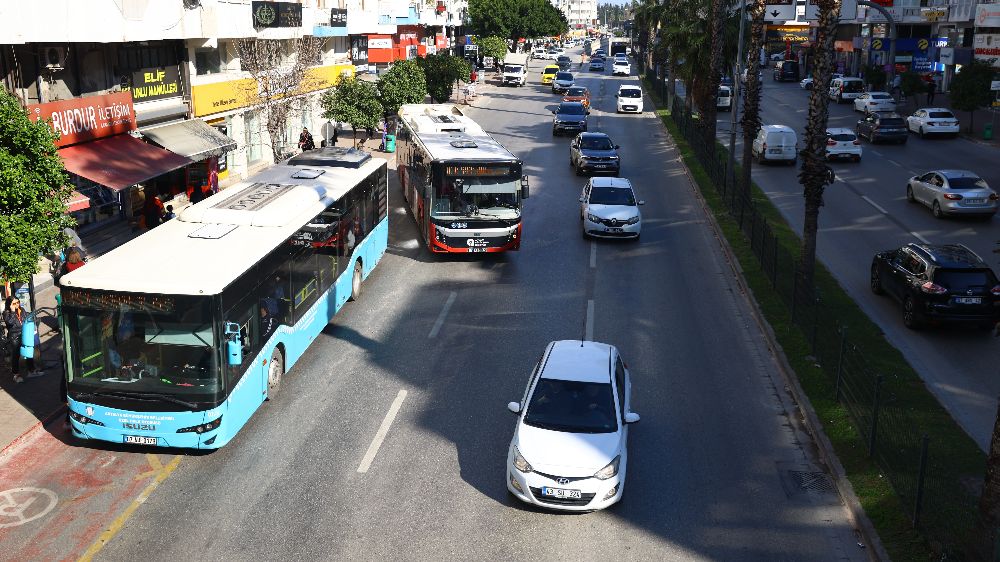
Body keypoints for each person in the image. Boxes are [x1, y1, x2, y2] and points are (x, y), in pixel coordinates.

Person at [3, 297, 43, 383]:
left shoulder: (22, 310)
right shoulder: (6, 313)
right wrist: (13, 311)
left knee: (28, 351)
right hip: (15, 336)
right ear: (9, 305)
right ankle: (16, 374)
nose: (17, 305)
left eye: (18, 302)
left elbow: (27, 319)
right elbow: (10, 322)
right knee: (16, 355)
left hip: (24, 334)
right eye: (14, 303)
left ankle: (31, 370)